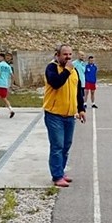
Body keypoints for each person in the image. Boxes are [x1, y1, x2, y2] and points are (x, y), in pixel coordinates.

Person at [44, 44, 86, 187]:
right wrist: (67, 70)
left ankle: (60, 172)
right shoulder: (51, 68)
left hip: (70, 115)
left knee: (66, 145)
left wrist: (81, 109)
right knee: (57, 146)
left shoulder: (74, 71)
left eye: (70, 54)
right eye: (65, 54)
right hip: (54, 114)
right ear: (57, 55)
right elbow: (56, 83)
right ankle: (57, 176)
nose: (68, 57)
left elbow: (78, 91)